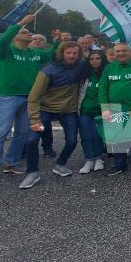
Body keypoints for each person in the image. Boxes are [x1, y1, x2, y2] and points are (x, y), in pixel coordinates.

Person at [0, 15, 57, 186]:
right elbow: (3, 39)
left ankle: (12, 163)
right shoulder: (6, 50)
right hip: (9, 95)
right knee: (1, 132)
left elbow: (52, 53)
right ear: (15, 36)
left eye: (29, 31)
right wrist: (21, 23)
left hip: (30, 97)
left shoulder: (35, 53)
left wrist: (57, 40)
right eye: (25, 32)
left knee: (22, 132)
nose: (29, 33)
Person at [20, 41, 86, 189]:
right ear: (61, 53)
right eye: (68, 52)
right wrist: (35, 120)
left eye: (75, 53)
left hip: (68, 111)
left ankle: (60, 164)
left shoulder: (81, 66)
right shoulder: (47, 71)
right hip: (45, 109)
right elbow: (33, 97)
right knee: (32, 140)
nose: (72, 56)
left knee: (71, 141)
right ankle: (32, 172)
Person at [99, 42, 131, 179]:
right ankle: (120, 164)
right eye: (118, 52)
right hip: (114, 108)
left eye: (124, 51)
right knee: (117, 138)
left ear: (129, 52)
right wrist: (104, 108)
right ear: (114, 53)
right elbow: (103, 88)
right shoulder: (109, 68)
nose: (121, 54)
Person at [78, 50, 106, 174]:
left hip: (100, 111)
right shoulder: (84, 75)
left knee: (97, 135)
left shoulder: (106, 74)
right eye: (92, 59)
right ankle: (89, 159)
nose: (95, 61)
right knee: (85, 135)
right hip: (85, 110)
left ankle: (99, 158)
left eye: (98, 58)